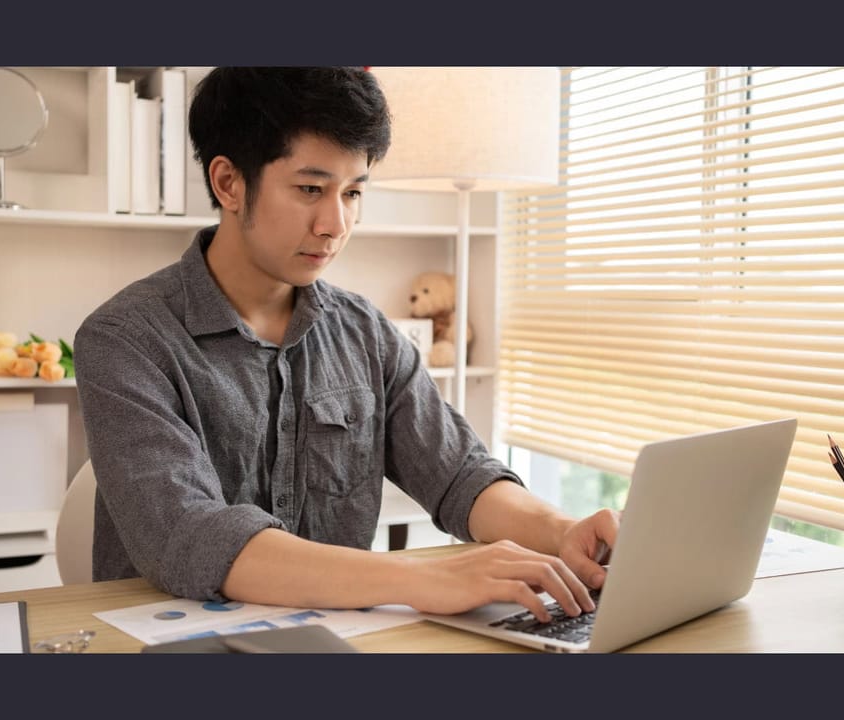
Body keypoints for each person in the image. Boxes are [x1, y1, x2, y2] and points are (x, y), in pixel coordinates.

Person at [74, 67, 619, 623]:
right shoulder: (125, 338)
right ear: (229, 183)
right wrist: (422, 578)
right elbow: (188, 534)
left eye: (353, 192)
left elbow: (459, 475)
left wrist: (562, 531)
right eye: (311, 189)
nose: (336, 223)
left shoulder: (365, 331)